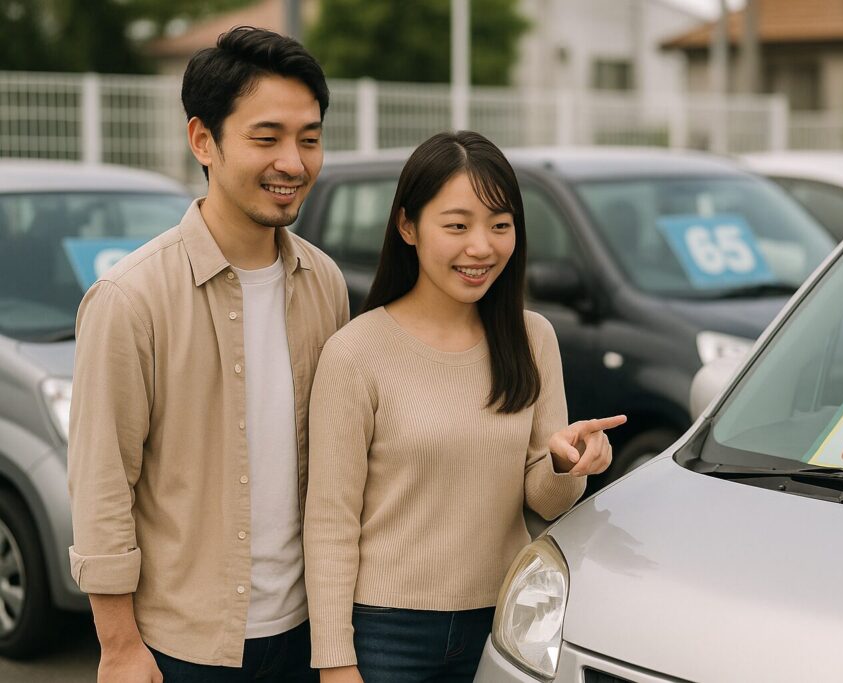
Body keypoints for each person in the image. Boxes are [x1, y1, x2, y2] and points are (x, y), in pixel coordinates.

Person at [66, 26, 348, 682]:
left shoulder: (325, 282)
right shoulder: (131, 297)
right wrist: (119, 646)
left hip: (308, 634)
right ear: (203, 140)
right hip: (184, 648)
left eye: (309, 138)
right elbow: (103, 483)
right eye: (267, 136)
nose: (294, 161)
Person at [304, 131, 626, 683]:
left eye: (500, 226)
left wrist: (565, 464)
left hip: (507, 622)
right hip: (385, 633)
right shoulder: (355, 352)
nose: (482, 247)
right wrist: (335, 660)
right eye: (457, 226)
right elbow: (330, 523)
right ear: (407, 226)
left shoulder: (532, 337)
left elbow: (546, 503)